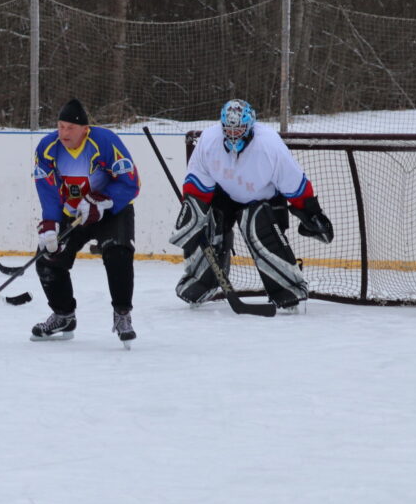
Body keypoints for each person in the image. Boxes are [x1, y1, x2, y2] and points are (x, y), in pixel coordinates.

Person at [169, 99, 333, 311]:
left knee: (260, 231)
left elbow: (295, 185)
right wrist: (193, 214)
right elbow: (197, 183)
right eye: (229, 129)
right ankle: (200, 282)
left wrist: (312, 212)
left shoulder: (269, 145)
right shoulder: (209, 140)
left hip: (265, 199)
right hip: (225, 196)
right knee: (206, 225)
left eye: (239, 129)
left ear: (250, 125)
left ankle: (287, 288)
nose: (233, 134)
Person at [30, 99, 140, 346]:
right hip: (73, 212)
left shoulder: (105, 142)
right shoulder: (48, 148)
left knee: (118, 253)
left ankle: (122, 314)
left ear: (84, 129)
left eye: (70, 128)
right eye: (60, 127)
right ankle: (63, 315)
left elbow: (131, 182)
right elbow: (46, 188)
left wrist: (104, 201)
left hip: (111, 210)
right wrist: (51, 222)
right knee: (48, 258)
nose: (64, 133)